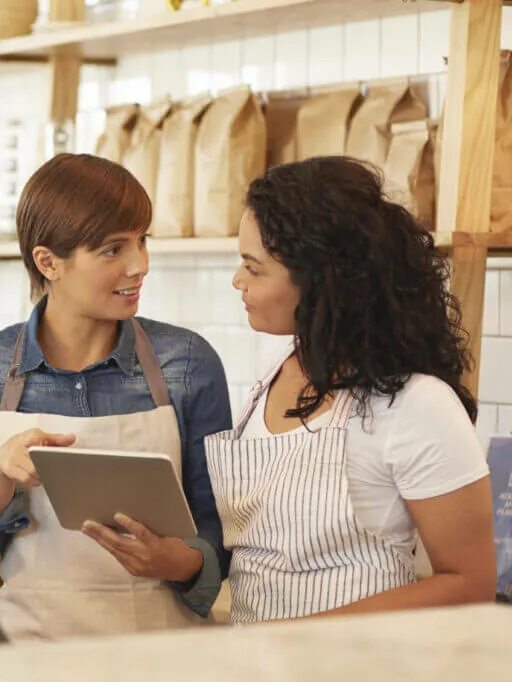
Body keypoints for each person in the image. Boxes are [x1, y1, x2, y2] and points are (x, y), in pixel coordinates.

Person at [0, 153, 232, 641]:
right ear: (48, 262)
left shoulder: (188, 364)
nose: (140, 266)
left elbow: (222, 538)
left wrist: (182, 562)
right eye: (113, 250)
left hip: (164, 662)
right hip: (34, 659)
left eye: (141, 240)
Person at [205, 156, 496, 623]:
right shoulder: (274, 368)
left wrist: (301, 635)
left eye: (253, 268)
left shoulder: (416, 405)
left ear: (321, 282)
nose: (237, 281)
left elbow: (469, 585)